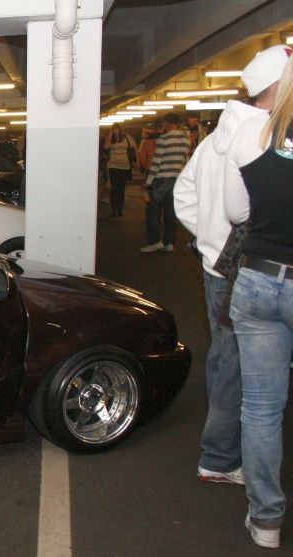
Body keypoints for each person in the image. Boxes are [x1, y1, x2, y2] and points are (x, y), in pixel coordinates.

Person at [173, 46, 288, 489]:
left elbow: (184, 195)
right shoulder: (266, 138)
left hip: (219, 268)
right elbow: (247, 210)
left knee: (226, 362)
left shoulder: (215, 139)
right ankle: (221, 457)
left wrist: (209, 239)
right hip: (251, 268)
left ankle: (221, 453)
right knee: (243, 371)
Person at [223, 47, 293, 549]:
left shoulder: (248, 134)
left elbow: (235, 211)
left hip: (257, 278)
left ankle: (266, 520)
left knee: (262, 409)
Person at [140, 112, 190, 252]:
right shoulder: (185, 139)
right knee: (170, 212)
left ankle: (155, 241)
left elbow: (156, 162)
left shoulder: (163, 139)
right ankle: (169, 242)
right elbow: (185, 160)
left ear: (168, 123)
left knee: (153, 211)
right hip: (176, 179)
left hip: (161, 178)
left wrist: (148, 181)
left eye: (164, 124)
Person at [102, 123, 136, 216]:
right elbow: (106, 147)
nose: (116, 130)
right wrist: (110, 135)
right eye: (114, 129)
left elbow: (134, 147)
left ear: (120, 129)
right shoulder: (110, 138)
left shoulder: (127, 137)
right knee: (114, 187)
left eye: (117, 128)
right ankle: (113, 209)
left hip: (125, 165)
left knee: (122, 187)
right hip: (113, 165)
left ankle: (120, 209)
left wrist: (137, 161)